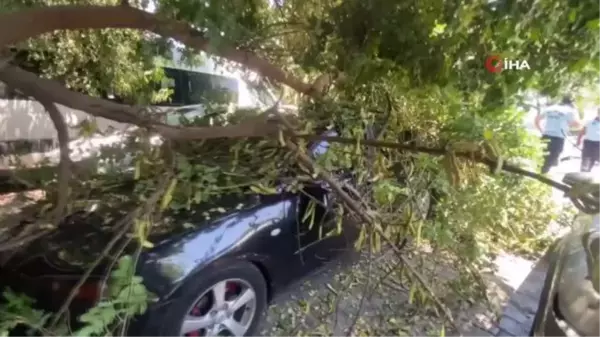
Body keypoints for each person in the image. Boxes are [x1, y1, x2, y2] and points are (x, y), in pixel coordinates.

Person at [534, 96, 581, 174]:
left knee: (542, 158)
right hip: (558, 138)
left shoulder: (550, 108)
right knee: (550, 160)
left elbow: (536, 120)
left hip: (545, 136)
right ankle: (543, 176)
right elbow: (578, 125)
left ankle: (537, 175)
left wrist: (541, 130)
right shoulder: (570, 110)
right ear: (572, 103)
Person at [576, 107, 600, 172]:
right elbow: (582, 132)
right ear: (598, 112)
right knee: (585, 160)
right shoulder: (590, 122)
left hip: (598, 144)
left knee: (593, 160)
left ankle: (588, 173)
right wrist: (578, 141)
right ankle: (583, 173)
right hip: (588, 143)